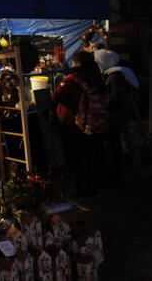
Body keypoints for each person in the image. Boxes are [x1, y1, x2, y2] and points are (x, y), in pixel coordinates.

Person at [52, 51, 106, 198]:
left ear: (77, 63)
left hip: (74, 123)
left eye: (74, 62)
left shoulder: (72, 79)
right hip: (91, 123)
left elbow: (57, 97)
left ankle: (81, 190)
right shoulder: (94, 76)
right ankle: (92, 186)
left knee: (76, 157)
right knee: (90, 155)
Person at [94, 48, 140, 184]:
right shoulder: (118, 72)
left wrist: (102, 105)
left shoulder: (116, 76)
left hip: (115, 115)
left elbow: (116, 97)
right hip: (117, 113)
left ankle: (114, 174)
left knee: (111, 144)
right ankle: (113, 171)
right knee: (112, 144)